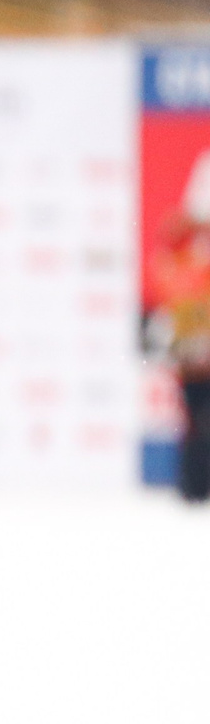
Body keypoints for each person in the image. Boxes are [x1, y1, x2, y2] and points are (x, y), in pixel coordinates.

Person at [147, 196, 210, 502]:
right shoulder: (177, 271)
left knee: (199, 425)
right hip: (190, 364)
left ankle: (195, 486)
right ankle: (194, 487)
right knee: (195, 426)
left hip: (201, 361)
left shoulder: (193, 271)